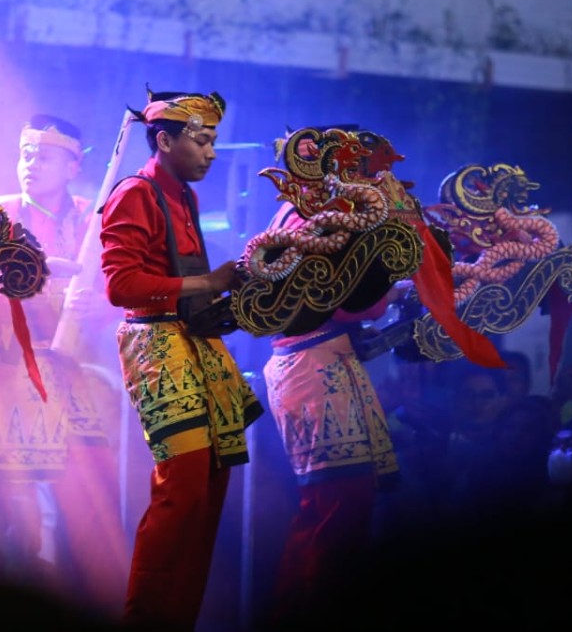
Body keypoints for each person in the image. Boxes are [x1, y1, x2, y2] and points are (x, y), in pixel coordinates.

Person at [0, 114, 129, 613]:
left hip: (68, 378)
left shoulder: (94, 220)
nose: (30, 164)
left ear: (72, 166)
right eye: (25, 154)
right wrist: (41, 295)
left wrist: (96, 306)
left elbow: (116, 291)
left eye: (44, 156)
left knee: (86, 515)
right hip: (0, 373)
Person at [99, 87, 263, 631]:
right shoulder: (134, 192)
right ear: (164, 140)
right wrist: (208, 281)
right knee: (183, 488)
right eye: (202, 139)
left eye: (213, 140)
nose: (211, 153)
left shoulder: (184, 196)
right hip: (155, 339)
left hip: (196, 339)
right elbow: (121, 285)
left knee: (210, 491)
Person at [255, 125, 407, 624]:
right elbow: (341, 299)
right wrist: (397, 292)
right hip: (311, 363)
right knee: (334, 509)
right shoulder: (309, 218)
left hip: (326, 360)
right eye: (362, 168)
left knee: (346, 508)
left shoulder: (319, 213)